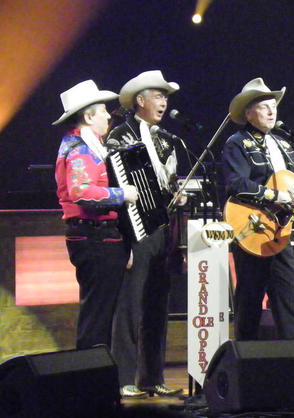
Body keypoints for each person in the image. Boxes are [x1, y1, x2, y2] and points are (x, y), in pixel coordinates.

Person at [222, 78, 294, 340]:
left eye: (273, 106)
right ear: (248, 113)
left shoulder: (285, 144)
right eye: (264, 107)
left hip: (281, 232)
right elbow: (236, 183)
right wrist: (275, 195)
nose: (272, 111)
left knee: (289, 299)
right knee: (249, 300)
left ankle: (293, 362)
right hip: (252, 228)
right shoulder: (237, 142)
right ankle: (245, 362)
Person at [107, 70, 182, 398]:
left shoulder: (168, 139)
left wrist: (179, 193)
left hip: (164, 229)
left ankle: (152, 377)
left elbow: (172, 180)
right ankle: (124, 377)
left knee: (157, 305)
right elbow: (118, 188)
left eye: (165, 97)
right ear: (140, 100)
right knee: (130, 306)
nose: (164, 102)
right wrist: (128, 238)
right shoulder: (119, 135)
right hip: (135, 230)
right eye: (158, 95)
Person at [53, 80, 138, 350]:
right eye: (102, 110)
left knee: (100, 313)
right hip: (94, 237)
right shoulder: (80, 149)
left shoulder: (86, 146)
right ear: (89, 116)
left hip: (99, 237)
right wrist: (121, 194)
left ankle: (93, 378)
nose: (107, 115)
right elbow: (82, 192)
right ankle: (90, 380)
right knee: (98, 315)